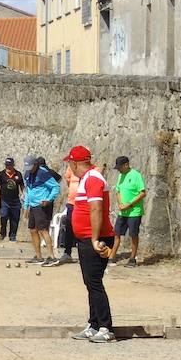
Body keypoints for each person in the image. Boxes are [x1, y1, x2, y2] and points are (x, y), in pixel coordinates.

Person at [64, 145, 115, 343]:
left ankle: (105, 326)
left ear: (75, 163)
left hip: (93, 239)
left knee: (94, 283)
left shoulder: (93, 179)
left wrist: (94, 239)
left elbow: (96, 209)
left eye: (70, 163)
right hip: (86, 238)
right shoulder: (89, 178)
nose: (69, 168)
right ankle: (94, 324)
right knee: (90, 283)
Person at [43, 160, 83, 268]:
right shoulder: (70, 168)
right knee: (69, 227)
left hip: (83, 204)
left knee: (81, 229)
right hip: (71, 202)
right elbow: (67, 180)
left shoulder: (88, 170)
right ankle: (67, 253)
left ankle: (84, 254)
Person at [23, 156, 60, 264]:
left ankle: (51, 257)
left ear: (36, 164)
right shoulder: (27, 174)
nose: (29, 169)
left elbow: (56, 187)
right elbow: (28, 191)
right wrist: (26, 207)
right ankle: (39, 257)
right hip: (32, 206)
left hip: (42, 206)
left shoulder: (43, 173)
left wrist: (48, 200)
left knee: (43, 230)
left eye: (31, 167)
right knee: (33, 230)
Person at [112, 156, 147, 265]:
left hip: (134, 211)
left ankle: (132, 258)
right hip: (123, 211)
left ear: (126, 165)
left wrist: (129, 204)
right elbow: (117, 191)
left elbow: (142, 193)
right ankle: (112, 256)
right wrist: (120, 204)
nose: (119, 170)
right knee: (116, 233)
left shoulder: (136, 175)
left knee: (133, 235)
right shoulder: (120, 176)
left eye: (120, 167)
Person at [0, 157, 24, 243]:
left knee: (15, 219)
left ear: (13, 165)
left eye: (9, 165)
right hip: (4, 200)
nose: (8, 167)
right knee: (4, 216)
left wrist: (23, 194)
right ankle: (2, 233)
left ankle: (13, 236)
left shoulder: (18, 174)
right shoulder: (1, 174)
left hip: (15, 200)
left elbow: (21, 185)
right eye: (6, 165)